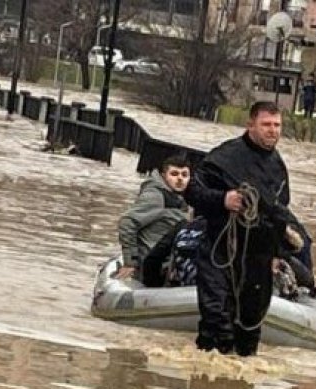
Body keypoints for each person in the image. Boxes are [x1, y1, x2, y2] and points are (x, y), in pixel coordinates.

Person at [184, 101, 298, 357]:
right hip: (221, 251)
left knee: (249, 329)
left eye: (277, 125)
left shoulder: (278, 166)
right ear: (250, 125)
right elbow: (192, 190)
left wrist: (279, 254)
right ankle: (205, 384)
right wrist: (223, 200)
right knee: (217, 322)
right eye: (266, 125)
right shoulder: (224, 157)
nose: (273, 131)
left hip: (258, 257)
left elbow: (280, 211)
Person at [116, 154, 191, 286]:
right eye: (174, 174)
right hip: (149, 264)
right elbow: (127, 223)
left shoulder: (183, 201)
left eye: (184, 175)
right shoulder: (156, 196)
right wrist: (130, 262)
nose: (180, 179)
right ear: (163, 175)